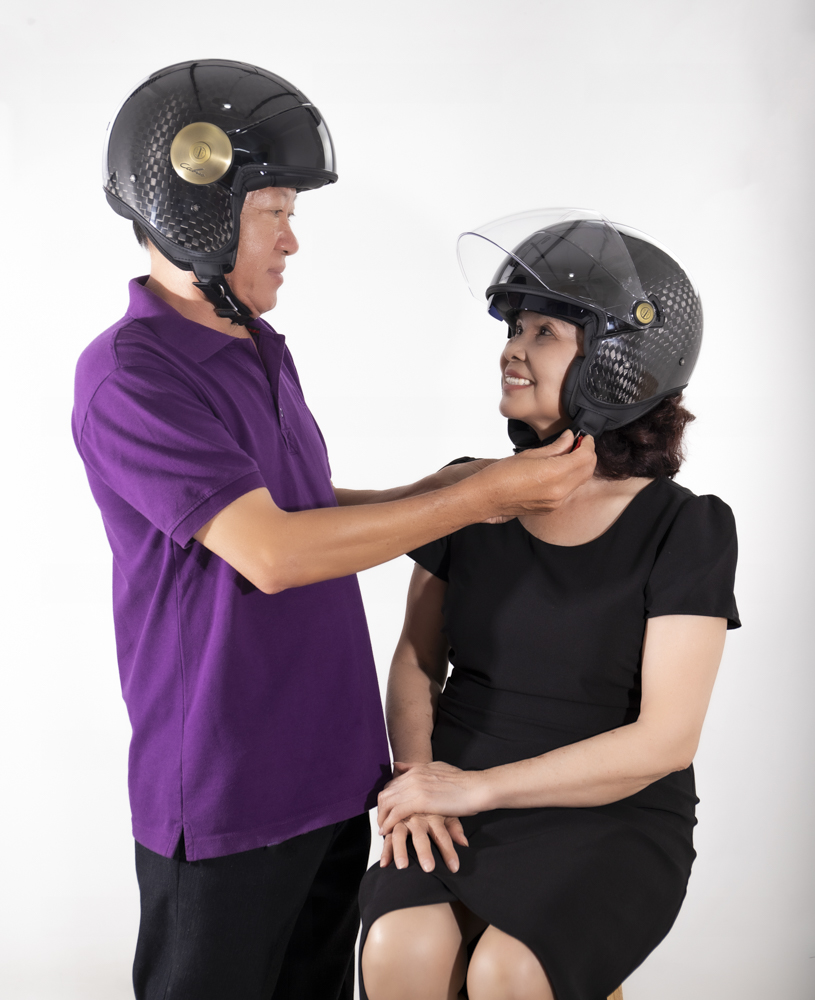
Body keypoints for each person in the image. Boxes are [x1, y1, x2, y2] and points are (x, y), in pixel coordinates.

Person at [71, 65, 594, 1000]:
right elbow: (272, 552)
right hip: (227, 792)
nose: (292, 239)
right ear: (195, 210)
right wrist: (476, 498)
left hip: (331, 773)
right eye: (272, 211)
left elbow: (294, 505)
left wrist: (429, 489)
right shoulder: (131, 374)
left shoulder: (257, 347)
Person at [359, 210, 740, 1000]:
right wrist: (419, 778)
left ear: (620, 364)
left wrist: (476, 790)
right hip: (449, 779)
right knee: (400, 949)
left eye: (543, 333)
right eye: (513, 329)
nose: (511, 348)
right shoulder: (469, 492)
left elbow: (665, 740)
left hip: (609, 806)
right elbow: (416, 663)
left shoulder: (686, 527)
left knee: (508, 973)